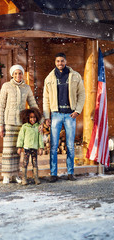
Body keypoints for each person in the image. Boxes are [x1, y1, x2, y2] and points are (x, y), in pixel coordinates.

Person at [43, 53, 85, 182]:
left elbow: (81, 94)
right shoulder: (49, 78)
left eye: (62, 61)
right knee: (54, 145)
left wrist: (77, 111)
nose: (60, 63)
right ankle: (54, 173)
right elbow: (46, 99)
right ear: (55, 62)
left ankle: (70, 172)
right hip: (56, 114)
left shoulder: (75, 76)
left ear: (65, 61)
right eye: (57, 61)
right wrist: (46, 116)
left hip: (70, 115)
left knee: (70, 146)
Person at [0, 65, 38, 184]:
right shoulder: (6, 86)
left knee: (18, 150)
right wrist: (0, 124)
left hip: (21, 123)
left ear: (23, 74)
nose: (18, 76)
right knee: (8, 150)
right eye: (15, 73)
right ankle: (6, 175)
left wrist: (38, 118)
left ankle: (15, 174)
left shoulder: (26, 88)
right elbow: (1, 105)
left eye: (20, 73)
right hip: (8, 122)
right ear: (12, 74)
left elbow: (32, 103)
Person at [17, 108, 44, 185]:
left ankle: (36, 177)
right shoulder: (24, 127)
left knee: (35, 162)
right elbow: (21, 137)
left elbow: (40, 138)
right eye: (31, 117)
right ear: (27, 118)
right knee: (25, 162)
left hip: (34, 148)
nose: (33, 119)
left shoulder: (38, 126)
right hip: (26, 148)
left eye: (34, 117)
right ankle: (24, 178)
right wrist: (19, 147)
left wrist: (41, 148)